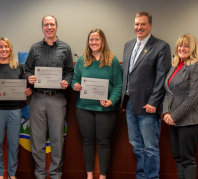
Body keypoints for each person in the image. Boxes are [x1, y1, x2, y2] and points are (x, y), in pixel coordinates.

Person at [121, 12, 171, 179]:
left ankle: (151, 177)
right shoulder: (128, 45)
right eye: (136, 24)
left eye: (142, 24)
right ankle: (141, 176)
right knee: (136, 145)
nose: (139, 27)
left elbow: (162, 78)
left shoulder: (161, 46)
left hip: (148, 106)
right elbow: (127, 75)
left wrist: (154, 102)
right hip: (129, 104)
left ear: (150, 25)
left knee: (150, 147)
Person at [25, 15, 74, 179]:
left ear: (56, 27)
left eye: (52, 24)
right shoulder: (34, 48)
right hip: (38, 98)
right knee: (37, 139)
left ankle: (55, 174)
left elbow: (69, 71)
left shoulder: (65, 48)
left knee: (57, 139)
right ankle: (39, 174)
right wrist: (29, 77)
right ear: (42, 28)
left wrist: (67, 81)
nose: (49, 27)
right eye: (46, 24)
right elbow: (28, 70)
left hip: (57, 98)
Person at [71, 29, 122, 179]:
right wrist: (75, 85)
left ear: (103, 41)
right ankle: (89, 175)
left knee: (104, 142)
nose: (93, 42)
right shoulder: (82, 60)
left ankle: (103, 176)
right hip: (84, 108)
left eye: (97, 39)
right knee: (87, 142)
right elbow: (74, 80)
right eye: (91, 40)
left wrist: (112, 100)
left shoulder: (113, 61)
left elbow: (119, 85)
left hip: (106, 109)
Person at [0, 37, 32, 179]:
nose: (4, 49)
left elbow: (24, 88)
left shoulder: (18, 67)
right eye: (1, 46)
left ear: (10, 49)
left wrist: (27, 92)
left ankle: (12, 174)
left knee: (13, 145)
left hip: (15, 110)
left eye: (6, 46)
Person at [162, 34, 198, 179]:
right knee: (177, 157)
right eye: (180, 45)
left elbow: (193, 97)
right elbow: (168, 92)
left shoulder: (194, 67)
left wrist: (174, 116)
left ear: (193, 48)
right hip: (172, 121)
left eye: (186, 46)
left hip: (188, 122)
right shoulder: (175, 65)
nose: (182, 48)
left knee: (187, 160)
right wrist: (165, 113)